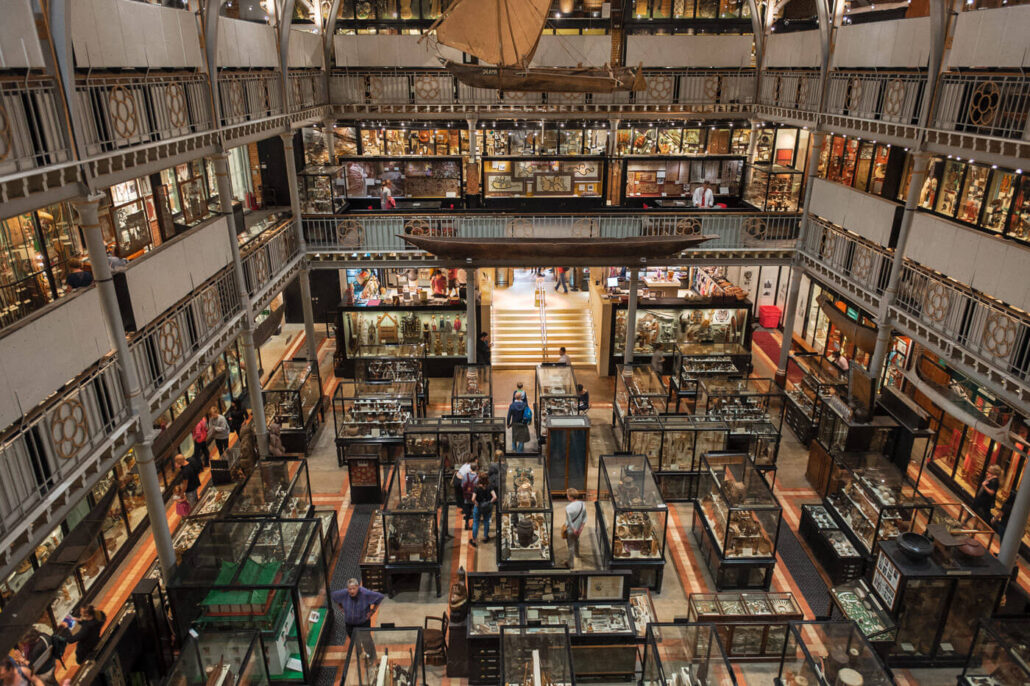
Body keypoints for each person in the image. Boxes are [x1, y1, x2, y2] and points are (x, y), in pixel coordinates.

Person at [470, 471, 497, 547]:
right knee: (486, 521)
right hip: (487, 507)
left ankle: (474, 540)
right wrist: (489, 503)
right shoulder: (489, 486)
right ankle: (485, 537)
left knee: (476, 523)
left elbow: (473, 499)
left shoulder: (476, 487)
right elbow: (495, 497)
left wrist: (477, 504)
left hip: (478, 507)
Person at [565, 489, 588, 569]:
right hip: (579, 529)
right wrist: (580, 529)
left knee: (570, 546)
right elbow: (585, 518)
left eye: (567, 495)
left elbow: (569, 521)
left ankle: (570, 564)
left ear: (571, 497)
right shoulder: (582, 504)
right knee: (577, 541)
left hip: (571, 530)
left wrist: (574, 529)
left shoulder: (568, 508)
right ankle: (577, 555)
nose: (567, 496)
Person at [454, 458, 479, 530]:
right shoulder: (476, 478)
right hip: (473, 495)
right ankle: (474, 523)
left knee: (467, 508)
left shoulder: (465, 475)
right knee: (473, 508)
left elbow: (462, 485)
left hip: (467, 495)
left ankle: (467, 522)